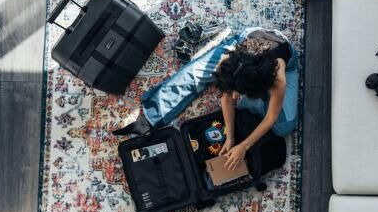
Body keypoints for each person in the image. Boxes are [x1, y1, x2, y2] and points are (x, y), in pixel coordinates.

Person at [115, 27, 299, 170]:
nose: (234, 96)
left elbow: (272, 117)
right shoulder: (229, 61)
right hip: (247, 41)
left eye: (238, 92)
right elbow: (226, 98)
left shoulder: (277, 74)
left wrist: (244, 146)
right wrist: (230, 137)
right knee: (193, 75)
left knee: (284, 126)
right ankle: (149, 117)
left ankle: (256, 101)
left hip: (281, 62)